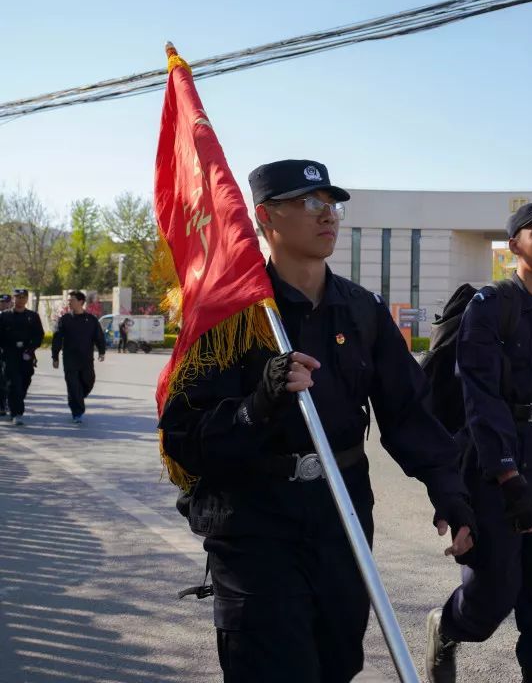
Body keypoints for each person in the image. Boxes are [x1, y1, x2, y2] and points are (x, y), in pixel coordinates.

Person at [158, 159, 476, 683]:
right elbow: (184, 436)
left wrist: (449, 491)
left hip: (340, 509)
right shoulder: (226, 317)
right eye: (309, 203)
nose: (327, 216)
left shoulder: (362, 309)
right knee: (273, 663)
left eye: (332, 204)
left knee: (335, 659)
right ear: (264, 218)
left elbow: (408, 411)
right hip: (255, 519)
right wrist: (256, 404)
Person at [426, 202, 532, 683]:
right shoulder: (490, 308)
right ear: (513, 247)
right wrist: (508, 477)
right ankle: (449, 626)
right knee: (495, 590)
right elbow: (478, 396)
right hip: (490, 460)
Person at [52, 291, 106, 423]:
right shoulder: (65, 319)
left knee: (88, 382)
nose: (69, 302)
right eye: (69, 300)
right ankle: (77, 412)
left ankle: (77, 398)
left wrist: (101, 352)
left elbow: (99, 337)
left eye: (72, 300)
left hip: (86, 359)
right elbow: (57, 339)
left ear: (81, 302)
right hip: (70, 359)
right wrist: (55, 356)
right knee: (73, 385)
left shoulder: (91, 320)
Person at [0, 288, 45, 426]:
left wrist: (31, 349)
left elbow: (39, 335)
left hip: (27, 355)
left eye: (23, 297)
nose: (20, 300)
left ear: (26, 299)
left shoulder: (32, 316)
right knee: (15, 384)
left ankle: (15, 401)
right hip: (9, 354)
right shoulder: (4, 316)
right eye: (17, 297)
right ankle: (16, 413)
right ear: (13, 299)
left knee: (24, 382)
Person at [0, 293, 10, 417]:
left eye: (4, 302)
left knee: (8, 378)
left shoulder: (13, 316)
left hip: (10, 352)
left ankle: (8, 401)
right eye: (1, 302)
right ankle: (2, 404)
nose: (2, 304)